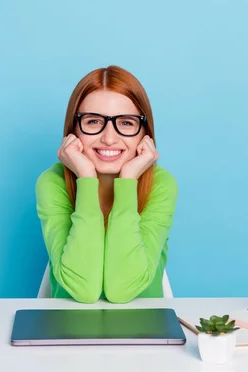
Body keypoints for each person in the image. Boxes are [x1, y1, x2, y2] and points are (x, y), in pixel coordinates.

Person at [35, 65, 178, 304]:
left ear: (144, 132)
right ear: (73, 130)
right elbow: (83, 290)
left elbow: (122, 290)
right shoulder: (53, 182)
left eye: (125, 123)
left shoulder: (160, 184)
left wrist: (128, 181)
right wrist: (86, 179)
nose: (109, 138)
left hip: (146, 329)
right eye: (92, 122)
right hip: (66, 328)